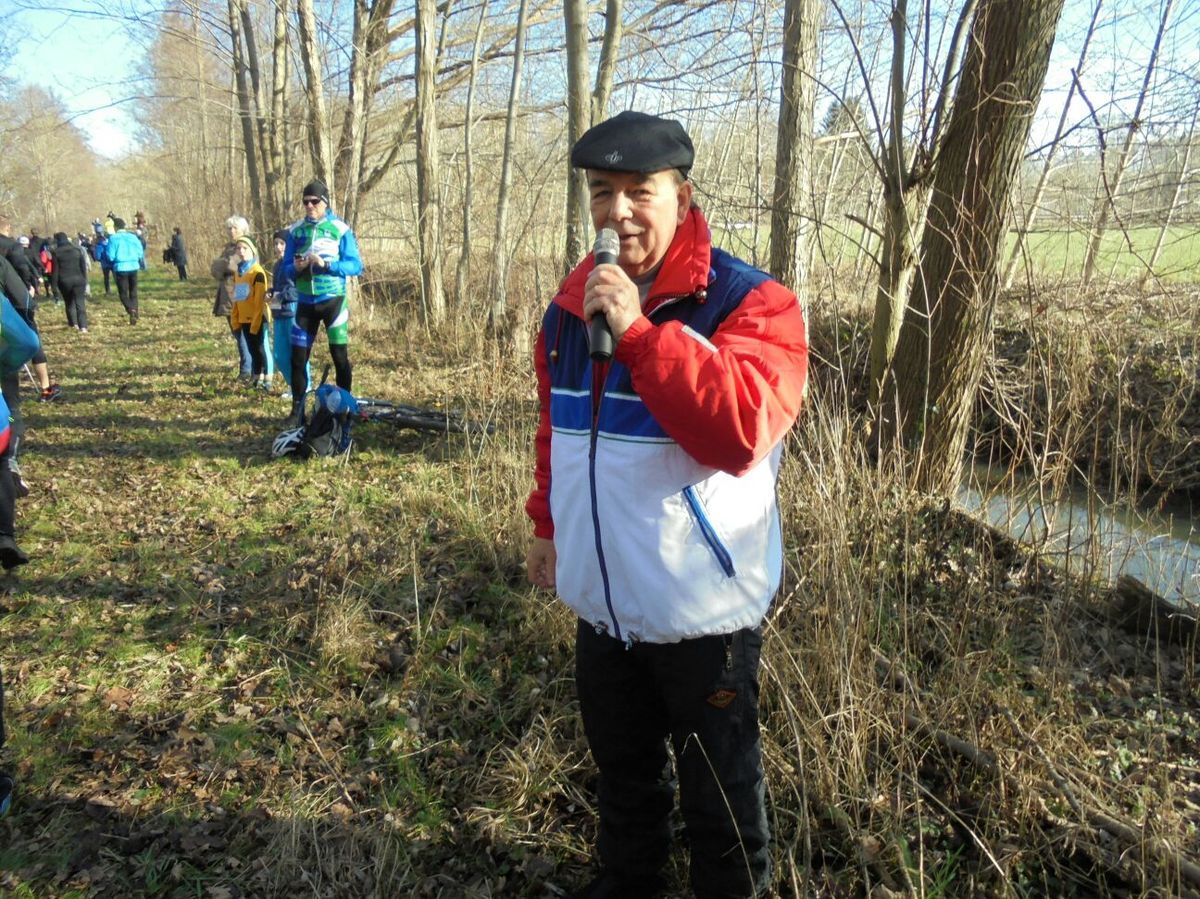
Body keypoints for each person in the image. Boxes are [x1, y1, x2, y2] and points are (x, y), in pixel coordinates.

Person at [524, 111, 809, 899]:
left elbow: (743, 428)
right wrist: (547, 524)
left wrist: (643, 336)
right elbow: (558, 426)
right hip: (603, 608)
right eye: (601, 192)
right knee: (624, 785)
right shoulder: (567, 309)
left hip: (702, 619)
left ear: (681, 195)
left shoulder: (753, 303)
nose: (617, 213)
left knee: (721, 804)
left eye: (638, 192)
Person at [281, 180, 363, 428]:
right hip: (305, 303)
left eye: (314, 202)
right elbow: (285, 270)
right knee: (298, 358)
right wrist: (294, 268)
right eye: (305, 201)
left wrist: (327, 265)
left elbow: (356, 266)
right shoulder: (295, 231)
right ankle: (297, 411)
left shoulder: (340, 228)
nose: (309, 206)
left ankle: (344, 409)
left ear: (324, 203)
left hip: (333, 302)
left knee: (339, 356)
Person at [228, 236, 271, 391]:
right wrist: (235, 318)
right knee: (252, 350)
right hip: (244, 318)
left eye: (244, 248)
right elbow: (237, 298)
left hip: (257, 319)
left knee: (260, 349)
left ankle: (267, 380)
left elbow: (259, 301)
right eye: (238, 248)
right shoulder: (238, 272)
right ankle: (256, 378)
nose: (241, 252)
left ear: (252, 251)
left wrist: (255, 321)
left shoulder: (257, 272)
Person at [268, 228, 309, 394]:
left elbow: (298, 290)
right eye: (276, 243)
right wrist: (270, 293)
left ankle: (305, 385)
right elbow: (278, 288)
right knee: (279, 355)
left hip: (293, 310)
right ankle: (295, 385)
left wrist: (278, 296)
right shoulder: (277, 265)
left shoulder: (296, 263)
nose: (278, 247)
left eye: (282, 243)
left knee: (297, 352)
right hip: (278, 311)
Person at [107, 217, 145, 324]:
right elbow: (140, 252)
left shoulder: (113, 239)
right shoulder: (133, 237)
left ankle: (131, 309)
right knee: (133, 291)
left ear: (115, 227)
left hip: (121, 268)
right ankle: (135, 313)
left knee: (123, 293)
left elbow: (110, 256)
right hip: (133, 266)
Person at [50, 232, 90, 332]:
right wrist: (85, 280)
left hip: (64, 281)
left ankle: (73, 323)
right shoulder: (77, 250)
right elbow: (83, 267)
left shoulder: (56, 252)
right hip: (79, 279)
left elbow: (55, 271)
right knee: (80, 303)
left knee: (69, 302)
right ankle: (83, 326)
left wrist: (54, 286)